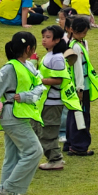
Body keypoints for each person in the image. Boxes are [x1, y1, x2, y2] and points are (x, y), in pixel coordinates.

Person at [0, 31, 45, 195]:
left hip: (20, 114)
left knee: (14, 155)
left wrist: (26, 96)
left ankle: (11, 194)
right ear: (29, 48)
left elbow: (40, 85)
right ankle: (7, 190)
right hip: (13, 116)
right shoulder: (10, 67)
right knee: (34, 151)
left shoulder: (27, 65)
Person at [35, 25, 74, 172]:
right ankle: (55, 158)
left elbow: (58, 80)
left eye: (48, 37)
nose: (44, 40)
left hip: (53, 101)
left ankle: (55, 160)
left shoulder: (57, 57)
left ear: (57, 40)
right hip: (46, 100)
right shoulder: (50, 55)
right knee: (44, 131)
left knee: (48, 132)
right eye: (43, 37)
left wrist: (39, 81)